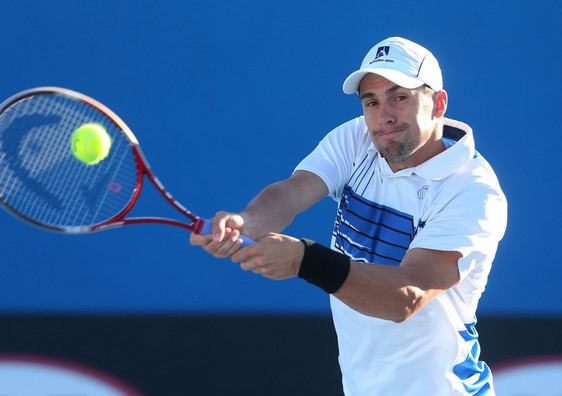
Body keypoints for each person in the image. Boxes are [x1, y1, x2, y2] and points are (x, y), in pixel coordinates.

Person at [190, 37, 507, 395]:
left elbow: (406, 296)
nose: (383, 116)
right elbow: (293, 192)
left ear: (438, 103)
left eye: (399, 97)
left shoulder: (473, 192)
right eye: (371, 102)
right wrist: (247, 221)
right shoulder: (358, 139)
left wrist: (305, 261)